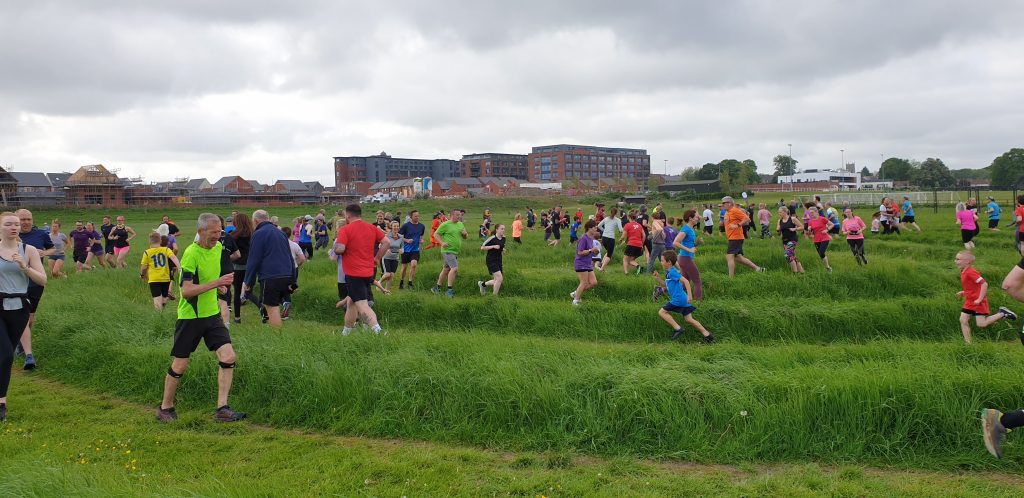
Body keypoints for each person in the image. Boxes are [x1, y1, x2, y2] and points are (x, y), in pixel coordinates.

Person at [156, 213, 244, 423]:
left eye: (220, 232)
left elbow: (210, 281)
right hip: (190, 317)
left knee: (229, 357)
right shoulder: (190, 254)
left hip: (212, 315)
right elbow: (186, 291)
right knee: (180, 364)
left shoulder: (217, 250)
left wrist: (219, 286)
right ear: (200, 231)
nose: (217, 236)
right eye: (213, 233)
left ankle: (222, 409)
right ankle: (165, 408)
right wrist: (216, 283)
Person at [0, 212, 47, 421]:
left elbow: (42, 280)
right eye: (9, 224)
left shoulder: (28, 251)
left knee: (5, 357)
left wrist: (24, 267)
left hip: (19, 308)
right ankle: (2, 403)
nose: (14, 227)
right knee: (6, 355)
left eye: (16, 224)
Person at [335, 204, 388, 336]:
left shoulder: (345, 230)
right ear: (360, 214)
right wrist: (377, 258)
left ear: (348, 215)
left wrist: (335, 250)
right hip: (368, 272)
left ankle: (378, 332)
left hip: (353, 273)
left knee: (362, 305)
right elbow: (387, 242)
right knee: (351, 303)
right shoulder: (371, 227)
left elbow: (340, 249)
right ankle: (345, 333)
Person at [14, 209, 53, 371]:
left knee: (29, 318)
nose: (26, 222)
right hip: (16, 283)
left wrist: (43, 252)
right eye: (22, 219)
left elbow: (52, 249)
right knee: (18, 315)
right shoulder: (11, 235)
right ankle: (22, 347)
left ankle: (22, 342)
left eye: (28, 219)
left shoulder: (41, 234)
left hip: (35, 282)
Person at [243, 210, 294, 328]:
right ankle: (276, 328)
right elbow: (290, 257)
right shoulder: (280, 233)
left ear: (255, 221)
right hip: (286, 274)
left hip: (270, 276)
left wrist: (248, 281)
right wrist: (293, 279)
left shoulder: (259, 233)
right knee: (273, 303)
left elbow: (254, 259)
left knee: (271, 306)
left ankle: (277, 337)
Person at [955, 251, 1016, 344]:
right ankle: (968, 344)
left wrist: (979, 299)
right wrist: (964, 292)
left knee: (981, 324)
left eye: (958, 259)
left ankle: (1002, 313)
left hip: (978, 302)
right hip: (969, 301)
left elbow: (984, 284)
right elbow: (972, 286)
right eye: (956, 259)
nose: (955, 261)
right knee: (963, 320)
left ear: (967, 261)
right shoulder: (963, 271)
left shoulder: (971, 272)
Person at [653, 250, 713, 343]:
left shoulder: (672, 272)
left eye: (662, 260)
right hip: (682, 299)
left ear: (668, 262)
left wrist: (690, 296)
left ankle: (678, 328)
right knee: (689, 319)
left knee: (662, 312)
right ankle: (708, 335)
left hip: (679, 299)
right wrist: (658, 279)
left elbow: (685, 281)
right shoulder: (670, 273)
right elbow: (667, 285)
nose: (661, 262)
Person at [224, 213, 254, 325]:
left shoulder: (233, 235)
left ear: (236, 222)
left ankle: (237, 317)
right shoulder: (253, 234)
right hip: (250, 265)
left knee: (237, 291)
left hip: (237, 265)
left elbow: (231, 251)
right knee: (249, 290)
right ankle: (262, 308)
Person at [722, 196, 764, 278]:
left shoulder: (734, 210)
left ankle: (730, 278)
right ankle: (758, 269)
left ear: (729, 203)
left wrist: (737, 225)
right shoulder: (727, 212)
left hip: (736, 237)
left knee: (729, 256)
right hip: (732, 237)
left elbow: (747, 218)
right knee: (738, 258)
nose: (722, 205)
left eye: (724, 203)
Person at [431, 208, 468, 298]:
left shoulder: (460, 224)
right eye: (457, 215)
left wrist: (464, 234)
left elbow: (466, 236)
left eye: (460, 215)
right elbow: (436, 234)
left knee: (446, 269)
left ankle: (437, 288)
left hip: (455, 251)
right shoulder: (445, 224)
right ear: (452, 215)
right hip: (447, 251)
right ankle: (449, 290)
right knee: (454, 268)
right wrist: (442, 243)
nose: (459, 216)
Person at [140, 231, 180, 311]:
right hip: (165, 278)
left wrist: (142, 275)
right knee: (164, 298)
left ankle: (159, 315)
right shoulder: (166, 249)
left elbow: (144, 267)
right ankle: (162, 310)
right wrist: (179, 268)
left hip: (154, 279)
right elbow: (173, 257)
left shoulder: (147, 252)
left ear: (149, 241)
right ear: (160, 241)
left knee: (157, 298)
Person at [672, 209, 703, 301]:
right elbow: (675, 242)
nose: (698, 218)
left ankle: (661, 290)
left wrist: (697, 243)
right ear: (690, 218)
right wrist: (689, 250)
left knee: (685, 284)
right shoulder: (686, 228)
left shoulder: (690, 229)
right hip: (685, 258)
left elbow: (689, 244)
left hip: (684, 258)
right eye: (696, 217)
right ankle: (699, 303)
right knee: (697, 282)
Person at [570, 220, 600, 306]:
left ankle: (576, 293)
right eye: (594, 227)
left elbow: (590, 252)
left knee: (594, 282)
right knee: (584, 282)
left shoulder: (591, 238)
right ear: (589, 228)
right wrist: (591, 250)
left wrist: (595, 251)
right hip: (581, 263)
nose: (596, 229)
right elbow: (580, 252)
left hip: (588, 264)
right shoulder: (584, 238)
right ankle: (575, 301)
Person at [279, 226, 305, 321]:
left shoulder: (278, 245)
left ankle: (284, 303)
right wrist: (296, 265)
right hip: (294, 269)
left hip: (281, 270)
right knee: (289, 288)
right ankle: (286, 310)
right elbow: (302, 258)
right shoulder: (294, 245)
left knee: (278, 289)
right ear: (290, 234)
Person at [398, 210, 425, 289]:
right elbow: (399, 236)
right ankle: (401, 282)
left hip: (415, 250)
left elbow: (421, 235)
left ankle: (410, 283)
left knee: (414, 265)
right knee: (404, 268)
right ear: (411, 217)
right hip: (406, 250)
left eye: (418, 216)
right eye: (415, 216)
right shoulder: (405, 226)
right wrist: (406, 240)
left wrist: (421, 240)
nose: (417, 217)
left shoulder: (422, 226)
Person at [478, 224, 506, 296]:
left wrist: (503, 250)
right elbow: (482, 247)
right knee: (499, 278)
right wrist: (493, 246)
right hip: (491, 260)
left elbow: (501, 247)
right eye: (502, 229)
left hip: (499, 260)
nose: (503, 230)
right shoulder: (492, 238)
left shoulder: (504, 238)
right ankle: (494, 297)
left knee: (496, 280)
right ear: (497, 230)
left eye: (504, 229)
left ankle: (483, 284)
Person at [805, 207, 835, 273]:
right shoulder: (810, 221)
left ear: (816, 212)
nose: (811, 214)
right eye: (810, 213)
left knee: (821, 253)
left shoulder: (822, 219)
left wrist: (827, 230)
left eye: (812, 213)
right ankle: (828, 267)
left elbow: (832, 224)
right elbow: (809, 234)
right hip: (816, 240)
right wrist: (809, 230)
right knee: (821, 255)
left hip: (824, 238)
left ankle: (828, 268)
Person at [777, 206, 804, 274]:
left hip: (793, 240)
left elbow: (802, 227)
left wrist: (795, 229)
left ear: (785, 212)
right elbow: (778, 232)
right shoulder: (779, 221)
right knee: (793, 257)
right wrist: (778, 231)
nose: (779, 213)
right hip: (785, 241)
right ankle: (802, 272)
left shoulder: (793, 219)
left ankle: (795, 272)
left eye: (780, 212)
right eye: (778, 212)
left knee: (787, 254)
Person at [379, 221, 402, 292]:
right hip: (386, 257)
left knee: (391, 275)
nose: (396, 227)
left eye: (397, 226)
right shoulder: (387, 236)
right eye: (394, 226)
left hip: (395, 258)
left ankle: (387, 291)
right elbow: (380, 245)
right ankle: (378, 283)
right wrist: (386, 249)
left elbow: (402, 247)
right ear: (391, 227)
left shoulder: (401, 237)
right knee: (387, 274)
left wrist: (402, 250)